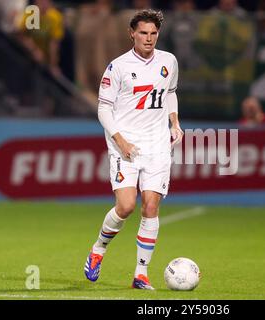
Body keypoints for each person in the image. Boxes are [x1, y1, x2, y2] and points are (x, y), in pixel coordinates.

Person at [84, 9, 184, 290]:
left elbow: (171, 93)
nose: (149, 38)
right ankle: (98, 249)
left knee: (151, 206)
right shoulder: (117, 67)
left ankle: (141, 274)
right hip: (124, 144)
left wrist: (174, 121)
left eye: (153, 33)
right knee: (126, 206)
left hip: (157, 144)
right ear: (132, 34)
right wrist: (121, 140)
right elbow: (103, 108)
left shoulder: (169, 61)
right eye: (143, 33)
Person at [18, 0, 64, 77]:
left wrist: (53, 65)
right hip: (27, 57)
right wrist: (34, 50)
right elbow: (23, 35)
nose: (44, 4)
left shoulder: (55, 17)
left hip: (45, 61)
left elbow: (54, 43)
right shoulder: (32, 13)